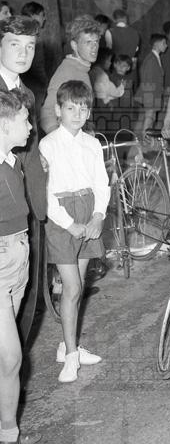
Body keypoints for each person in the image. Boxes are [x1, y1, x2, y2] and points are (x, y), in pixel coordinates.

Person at [39, 81, 108, 383]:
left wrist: (98, 216)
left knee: (77, 288)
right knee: (72, 289)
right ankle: (70, 356)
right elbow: (47, 195)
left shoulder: (92, 144)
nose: (78, 114)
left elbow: (102, 184)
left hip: (88, 213)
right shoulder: (48, 145)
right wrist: (70, 224)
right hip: (62, 219)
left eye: (83, 109)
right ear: (58, 110)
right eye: (70, 108)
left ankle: (67, 346)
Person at [0, 18, 47, 346]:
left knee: (27, 295)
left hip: (30, 203)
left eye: (30, 46)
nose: (23, 53)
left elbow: (30, 148)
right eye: (14, 44)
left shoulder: (27, 92)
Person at [0, 90, 42, 444]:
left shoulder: (12, 162)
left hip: (19, 259)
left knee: (5, 358)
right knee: (11, 357)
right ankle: (8, 431)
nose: (30, 127)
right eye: (25, 121)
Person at [40, 16, 100, 134]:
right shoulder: (67, 71)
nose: (94, 47)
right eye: (88, 42)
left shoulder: (82, 70)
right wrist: (60, 139)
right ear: (74, 45)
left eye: (96, 41)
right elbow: (47, 112)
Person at [134, 34, 167, 136]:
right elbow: (147, 78)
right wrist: (149, 98)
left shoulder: (155, 57)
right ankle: (145, 139)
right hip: (150, 94)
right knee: (149, 118)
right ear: (156, 44)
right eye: (164, 43)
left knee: (150, 118)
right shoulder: (151, 59)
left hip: (154, 94)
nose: (166, 45)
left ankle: (145, 139)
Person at [19, 2, 48, 115]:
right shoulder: (33, 32)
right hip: (33, 84)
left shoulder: (19, 28)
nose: (44, 18)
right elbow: (37, 65)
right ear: (33, 14)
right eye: (42, 14)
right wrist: (44, 83)